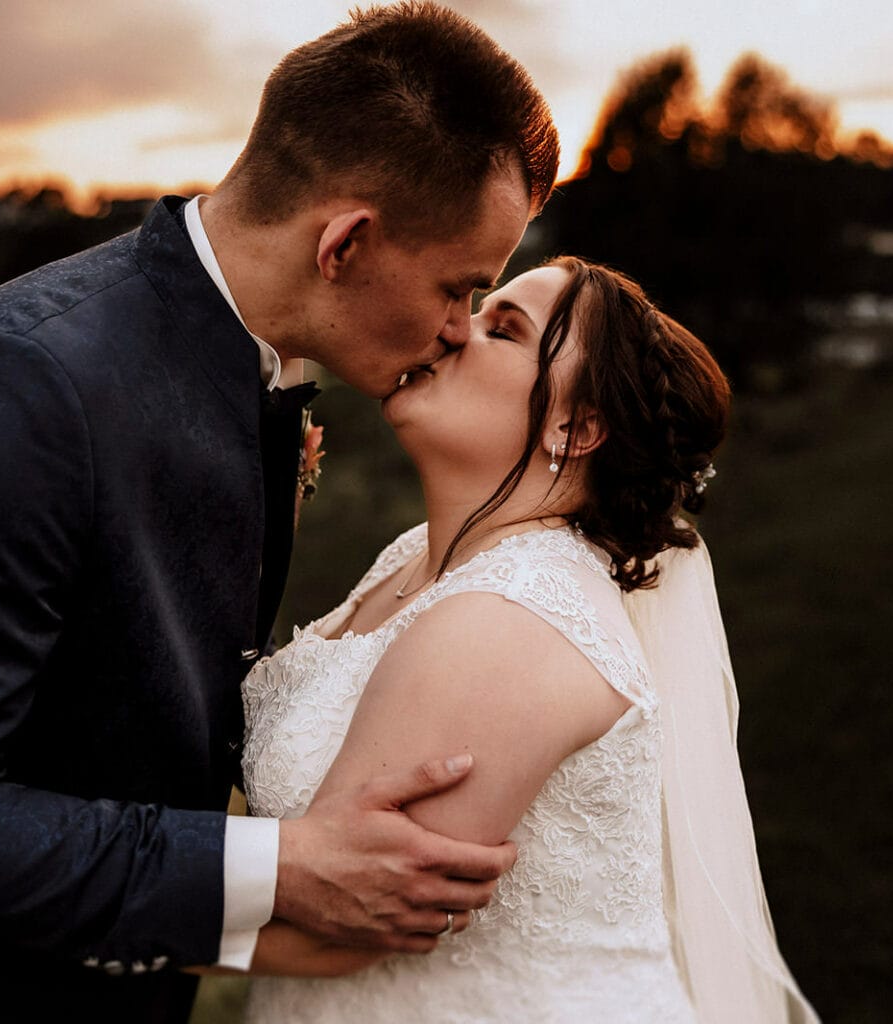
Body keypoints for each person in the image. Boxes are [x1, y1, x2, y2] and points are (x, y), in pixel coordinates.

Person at [0, 4, 558, 1022]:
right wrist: (282, 868)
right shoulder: (14, 386)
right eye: (460, 288)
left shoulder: (245, 378)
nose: (457, 331)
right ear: (346, 243)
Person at [231, 256, 822, 1021]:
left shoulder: (512, 617)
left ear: (576, 427)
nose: (451, 328)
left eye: (501, 329)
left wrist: (80, 911)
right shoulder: (415, 557)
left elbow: (340, 921)